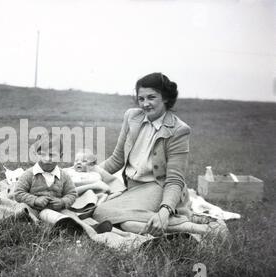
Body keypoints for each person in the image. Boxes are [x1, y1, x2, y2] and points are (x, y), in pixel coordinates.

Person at [93, 72, 228, 239]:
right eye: (141, 99)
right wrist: (88, 172)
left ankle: (202, 228)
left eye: (151, 97)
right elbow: (116, 159)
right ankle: (187, 224)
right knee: (127, 223)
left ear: (165, 98)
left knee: (101, 212)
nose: (145, 104)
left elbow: (174, 179)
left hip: (159, 187)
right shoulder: (131, 117)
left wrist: (164, 211)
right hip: (133, 189)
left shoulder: (179, 130)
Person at [14, 132, 112, 234]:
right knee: (23, 210)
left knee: (70, 214)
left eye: (52, 155)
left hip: (57, 210)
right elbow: (18, 193)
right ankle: (58, 228)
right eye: (42, 154)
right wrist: (35, 200)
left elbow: (72, 194)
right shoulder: (29, 174)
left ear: (60, 156)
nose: (47, 159)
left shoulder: (63, 175)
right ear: (35, 154)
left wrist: (62, 202)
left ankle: (89, 228)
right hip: (34, 209)